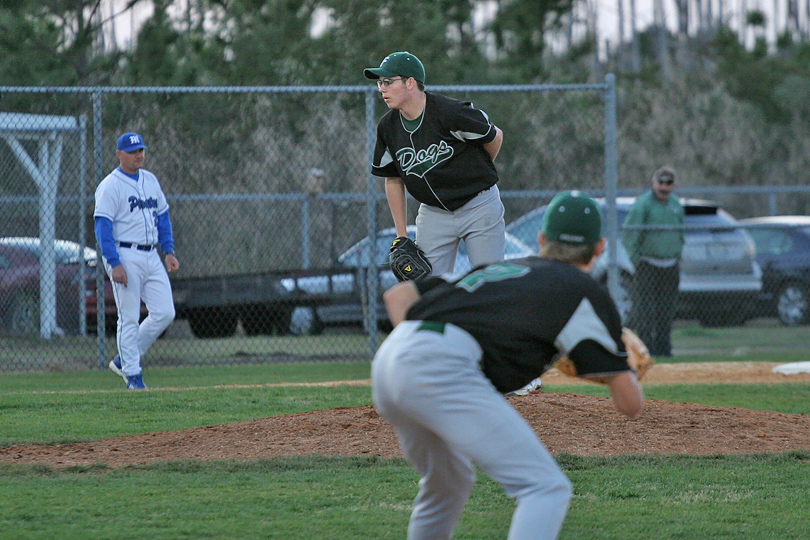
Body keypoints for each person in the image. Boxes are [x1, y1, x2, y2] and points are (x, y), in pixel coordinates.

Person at [371, 191, 644, 540]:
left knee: (449, 480)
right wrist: (620, 366)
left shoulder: (502, 270)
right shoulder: (585, 292)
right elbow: (630, 404)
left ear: (542, 240)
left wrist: (418, 354)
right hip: (442, 366)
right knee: (544, 488)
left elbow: (398, 296)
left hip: (391, 358)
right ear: (600, 248)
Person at [363, 51, 506, 277]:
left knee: (490, 282)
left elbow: (494, 136)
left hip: (478, 205)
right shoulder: (388, 128)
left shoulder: (449, 112)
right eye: (380, 83)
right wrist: (402, 235)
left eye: (388, 82)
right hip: (434, 213)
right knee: (427, 289)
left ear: (410, 83)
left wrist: (478, 172)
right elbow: (392, 180)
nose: (381, 88)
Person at [93, 132, 179, 390]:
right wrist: (113, 262)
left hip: (151, 253)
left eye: (141, 150)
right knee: (129, 316)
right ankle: (133, 376)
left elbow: (163, 217)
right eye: (132, 151)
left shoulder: (150, 180)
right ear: (119, 154)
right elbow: (102, 227)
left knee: (165, 312)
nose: (138, 155)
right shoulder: (111, 185)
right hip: (124, 253)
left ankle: (123, 360)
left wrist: (169, 251)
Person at [621, 165, 685, 357]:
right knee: (646, 309)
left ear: (673, 185)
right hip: (647, 264)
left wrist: (678, 255)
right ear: (654, 183)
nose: (664, 187)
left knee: (667, 309)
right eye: (661, 182)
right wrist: (635, 260)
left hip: (670, 265)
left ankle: (664, 349)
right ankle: (646, 349)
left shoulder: (675, 204)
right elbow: (630, 234)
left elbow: (680, 231)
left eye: (669, 183)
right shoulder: (643, 204)